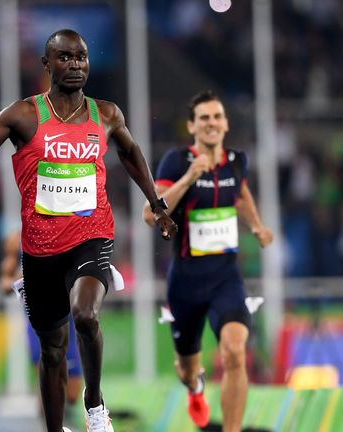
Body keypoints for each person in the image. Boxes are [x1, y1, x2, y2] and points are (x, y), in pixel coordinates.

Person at [0, 28, 176, 432]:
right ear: (46, 64)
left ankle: (94, 405)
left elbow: (129, 151)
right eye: (65, 58)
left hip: (92, 235)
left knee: (85, 314)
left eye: (82, 57)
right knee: (52, 352)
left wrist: (157, 204)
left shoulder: (106, 113)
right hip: (40, 251)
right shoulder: (22, 115)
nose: (75, 65)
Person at [142, 90, 273, 432]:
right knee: (187, 369)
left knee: (234, 350)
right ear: (192, 126)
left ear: (226, 124)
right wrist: (189, 178)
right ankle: (194, 388)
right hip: (186, 284)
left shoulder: (236, 161)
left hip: (226, 280)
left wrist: (257, 226)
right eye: (204, 118)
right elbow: (149, 214)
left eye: (217, 117)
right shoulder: (176, 161)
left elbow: (241, 193)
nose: (211, 123)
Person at [0, 230, 83, 430]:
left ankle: (58, 419)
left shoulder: (67, 230)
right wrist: (28, 275)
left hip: (69, 320)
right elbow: (4, 283)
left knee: (71, 395)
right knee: (50, 381)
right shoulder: (16, 240)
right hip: (39, 322)